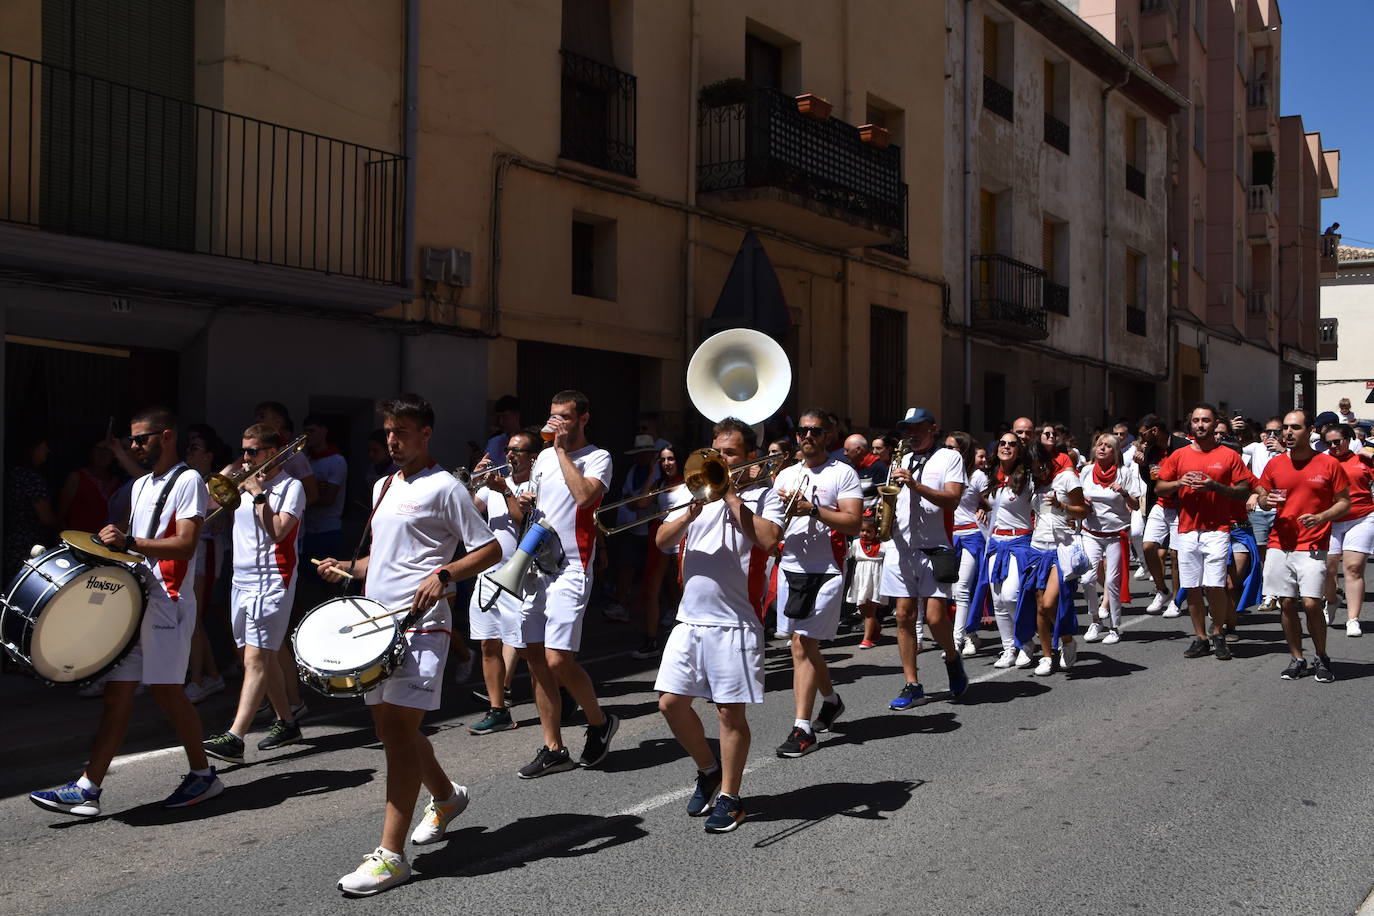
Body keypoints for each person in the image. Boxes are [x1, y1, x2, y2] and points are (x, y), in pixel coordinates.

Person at [317, 394, 501, 896]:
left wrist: (444, 574)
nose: (392, 441)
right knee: (389, 727)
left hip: (424, 626)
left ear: (425, 434)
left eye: (402, 432)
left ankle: (390, 856)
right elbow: (381, 559)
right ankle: (445, 795)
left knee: (397, 731)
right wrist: (345, 568)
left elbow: (491, 547)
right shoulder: (382, 486)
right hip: (378, 624)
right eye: (388, 432)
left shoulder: (446, 488)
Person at [30, 408, 221, 816]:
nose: (134, 446)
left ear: (166, 436)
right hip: (140, 600)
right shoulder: (141, 486)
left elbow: (186, 544)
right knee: (117, 695)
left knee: (169, 694)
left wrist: (128, 540)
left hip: (168, 602)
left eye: (141, 439)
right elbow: (139, 546)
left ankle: (204, 776)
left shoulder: (190, 481)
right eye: (132, 440)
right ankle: (88, 787)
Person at [654, 416, 783, 833]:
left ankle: (731, 795)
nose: (720, 459)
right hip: (690, 619)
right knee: (670, 704)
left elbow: (767, 540)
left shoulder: (765, 496)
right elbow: (661, 541)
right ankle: (708, 769)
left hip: (736, 620)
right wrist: (691, 512)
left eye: (730, 453)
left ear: (748, 458)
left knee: (730, 714)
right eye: (717, 450)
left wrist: (731, 498)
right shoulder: (690, 492)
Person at [508, 390, 620, 778]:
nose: (557, 423)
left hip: (572, 565)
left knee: (559, 659)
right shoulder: (540, 458)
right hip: (538, 564)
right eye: (553, 416)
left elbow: (586, 497)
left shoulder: (598, 457)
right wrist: (519, 501)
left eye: (566, 417)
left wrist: (559, 451)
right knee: (535, 658)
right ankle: (553, 747)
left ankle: (599, 722)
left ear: (584, 419)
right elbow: (535, 506)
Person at [201, 425, 308, 764]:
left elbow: (277, 532)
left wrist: (259, 493)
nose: (246, 457)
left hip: (273, 579)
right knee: (260, 656)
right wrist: (230, 472)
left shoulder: (292, 487)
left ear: (273, 451)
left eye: (252, 452)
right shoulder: (242, 482)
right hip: (241, 579)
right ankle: (288, 722)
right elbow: (204, 502)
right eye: (243, 450)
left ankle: (235, 736)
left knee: (255, 659)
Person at [771, 409, 863, 756]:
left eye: (815, 431)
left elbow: (854, 523)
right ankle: (832, 701)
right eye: (802, 431)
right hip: (790, 566)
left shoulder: (844, 474)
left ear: (828, 436)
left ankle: (801, 729)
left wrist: (812, 510)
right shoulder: (784, 476)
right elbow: (772, 527)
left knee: (801, 643)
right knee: (804, 646)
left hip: (825, 568)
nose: (807, 436)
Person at [881, 407, 969, 710]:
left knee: (934, 617)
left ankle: (952, 658)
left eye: (918, 428)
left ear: (933, 428)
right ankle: (912, 684)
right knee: (903, 616)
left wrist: (915, 485)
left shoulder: (950, 458)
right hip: (901, 546)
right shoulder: (900, 458)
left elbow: (952, 499)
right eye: (908, 428)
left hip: (935, 547)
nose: (912, 433)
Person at [1255, 410, 1351, 683]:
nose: (1287, 433)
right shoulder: (1274, 465)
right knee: (1286, 603)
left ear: (1310, 431)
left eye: (1295, 428)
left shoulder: (1328, 464)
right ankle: (1298, 658)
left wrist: (1321, 517)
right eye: (1284, 428)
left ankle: (1321, 656)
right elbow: (1262, 493)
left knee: (1310, 603)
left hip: (1313, 544)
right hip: (1279, 543)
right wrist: (1264, 501)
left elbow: (1345, 501)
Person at [1155, 404, 1256, 661]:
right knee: (1191, 587)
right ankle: (1200, 638)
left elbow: (1244, 490)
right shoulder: (1179, 456)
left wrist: (1216, 487)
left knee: (1215, 585)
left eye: (1206, 421)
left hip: (1218, 530)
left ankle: (1219, 633)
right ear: (1191, 424)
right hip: (1187, 529)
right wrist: (1179, 482)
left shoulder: (1229, 455)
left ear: (1215, 425)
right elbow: (1160, 488)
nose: (1200, 425)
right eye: (1197, 420)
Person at [465, 429, 538, 734]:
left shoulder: (537, 484)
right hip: (489, 575)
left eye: (517, 451)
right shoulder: (494, 483)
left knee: (527, 648)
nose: (509, 455)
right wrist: (472, 482)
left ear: (532, 457)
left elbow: (523, 519)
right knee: (488, 644)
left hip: (523, 576)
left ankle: (557, 696)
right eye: (508, 449)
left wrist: (504, 491)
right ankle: (498, 710)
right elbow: (468, 511)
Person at [975, 432, 1041, 669]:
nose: (1006, 447)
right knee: (998, 601)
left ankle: (1025, 641)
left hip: (1019, 544)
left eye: (1012, 444)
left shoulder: (1028, 479)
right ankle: (1007, 649)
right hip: (996, 544)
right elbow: (988, 502)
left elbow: (1040, 506)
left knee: (1011, 596)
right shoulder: (992, 476)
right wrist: (982, 509)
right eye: (1002, 443)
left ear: (1019, 450)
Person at [1078, 433, 1144, 646]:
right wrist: (1082, 501)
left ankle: (1115, 628)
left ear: (1115, 453)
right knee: (1087, 579)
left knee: (1112, 583)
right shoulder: (1087, 471)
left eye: (1108, 446)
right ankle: (1095, 620)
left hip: (1116, 535)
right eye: (1100, 444)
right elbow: (1077, 499)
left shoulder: (1123, 473)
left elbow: (1135, 506)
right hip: (1090, 533)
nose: (1102, 448)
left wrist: (1124, 493)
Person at [182, 424, 227, 703]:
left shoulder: (215, 481)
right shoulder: (186, 479)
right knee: (191, 616)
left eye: (194, 448)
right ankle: (211, 676)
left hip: (207, 548)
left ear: (209, 455)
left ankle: (197, 681)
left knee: (193, 617)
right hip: (192, 550)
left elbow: (218, 521)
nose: (188, 452)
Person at [1133, 414, 1191, 616]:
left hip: (1180, 505)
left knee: (1175, 555)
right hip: (1159, 503)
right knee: (1148, 545)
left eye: (1143, 434)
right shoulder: (1150, 450)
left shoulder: (1182, 446)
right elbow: (1151, 480)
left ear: (1154, 430)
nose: (1141, 439)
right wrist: (1142, 465)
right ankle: (1162, 590)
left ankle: (1176, 600)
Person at [633, 444, 686, 659]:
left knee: (685, 590)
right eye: (663, 460)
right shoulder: (660, 482)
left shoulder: (690, 480)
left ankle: (688, 641)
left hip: (684, 536)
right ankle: (651, 639)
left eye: (671, 459)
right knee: (651, 590)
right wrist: (652, 475)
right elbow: (642, 503)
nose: (666, 463)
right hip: (664, 537)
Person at [1321, 424, 1372, 637]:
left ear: (1348, 439)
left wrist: (1369, 452)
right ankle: (1332, 600)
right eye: (1329, 443)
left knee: (1353, 568)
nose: (1333, 446)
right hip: (1330, 519)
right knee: (1327, 570)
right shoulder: (1322, 461)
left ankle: (1353, 619)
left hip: (1362, 517)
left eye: (1337, 442)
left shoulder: (1363, 459)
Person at [607, 434, 660, 624]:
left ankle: (641, 608)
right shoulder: (632, 470)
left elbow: (641, 503)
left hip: (649, 528)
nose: (640, 457)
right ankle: (622, 605)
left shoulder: (658, 474)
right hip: (630, 527)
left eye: (644, 454)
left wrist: (653, 473)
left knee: (648, 571)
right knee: (625, 566)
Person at [945, 431, 988, 657]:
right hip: (948, 536)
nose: (948, 451)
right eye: (946, 447)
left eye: (953, 448)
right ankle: (970, 635)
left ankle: (956, 640)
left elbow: (996, 501)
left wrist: (984, 508)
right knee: (952, 590)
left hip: (972, 535)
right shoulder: (942, 472)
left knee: (963, 588)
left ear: (964, 450)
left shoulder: (978, 476)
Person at [301, 414, 348, 601]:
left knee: (330, 580)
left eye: (311, 431)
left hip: (328, 529)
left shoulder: (336, 460)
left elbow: (329, 497)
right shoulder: (307, 459)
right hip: (308, 529)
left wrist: (299, 501)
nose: (307, 436)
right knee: (306, 581)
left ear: (324, 431)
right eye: (305, 432)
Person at [4, 430, 58, 581]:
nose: (47, 451)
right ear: (32, 450)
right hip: (28, 545)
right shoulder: (30, 478)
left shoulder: (14, 474)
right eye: (43, 447)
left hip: (13, 542)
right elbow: (46, 518)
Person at [57, 439, 120, 532]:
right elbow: (60, 515)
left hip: (103, 542)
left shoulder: (117, 483)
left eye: (107, 450)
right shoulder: (76, 477)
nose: (102, 454)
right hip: (76, 539)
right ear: (91, 452)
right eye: (98, 449)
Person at [848, 514, 886, 648]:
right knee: (862, 608)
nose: (864, 533)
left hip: (875, 577)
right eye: (862, 530)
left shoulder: (882, 545)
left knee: (870, 610)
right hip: (860, 577)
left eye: (869, 531)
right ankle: (876, 627)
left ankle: (867, 639)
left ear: (876, 532)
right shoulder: (856, 543)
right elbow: (846, 556)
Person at [482, 394, 522, 466]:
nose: (501, 422)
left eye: (505, 417)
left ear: (516, 416)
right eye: (498, 417)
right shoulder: (494, 442)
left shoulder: (528, 442)